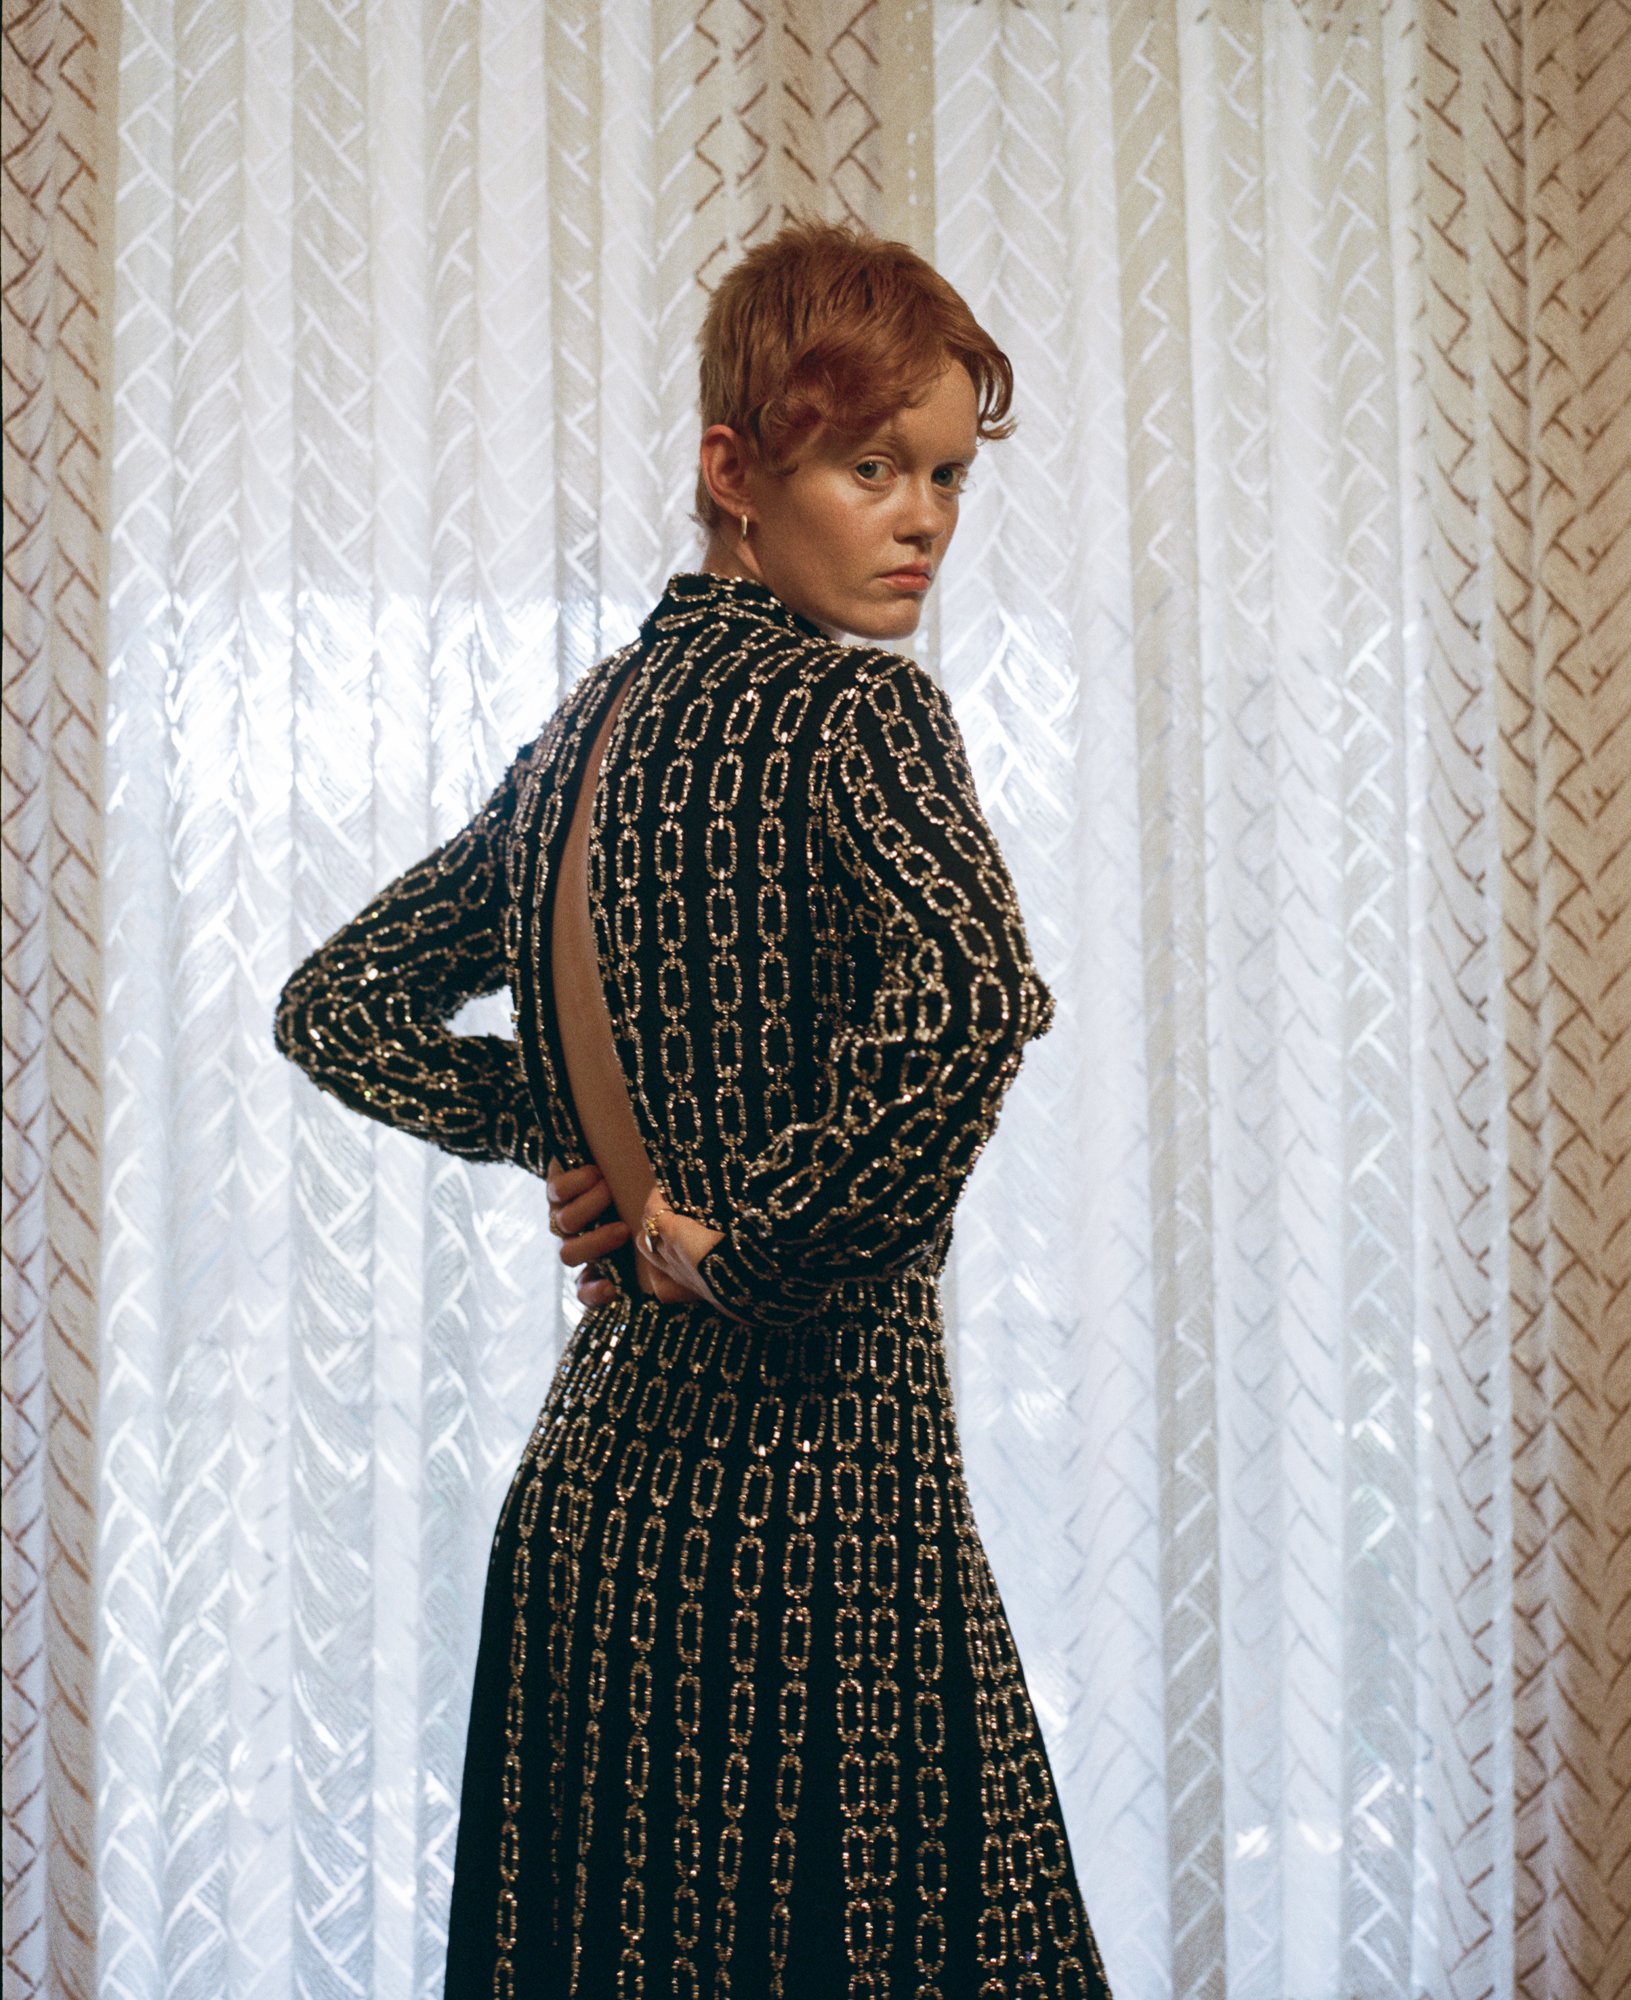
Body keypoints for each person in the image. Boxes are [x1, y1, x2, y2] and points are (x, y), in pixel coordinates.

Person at [275, 218, 1111, 2000]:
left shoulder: (584, 734)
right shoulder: (855, 711)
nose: (922, 522)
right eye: (868, 467)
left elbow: (339, 1004)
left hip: (595, 1515)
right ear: (734, 471)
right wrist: (748, 1257)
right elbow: (974, 1000)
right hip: (815, 1511)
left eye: (947, 476)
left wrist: (572, 1134)